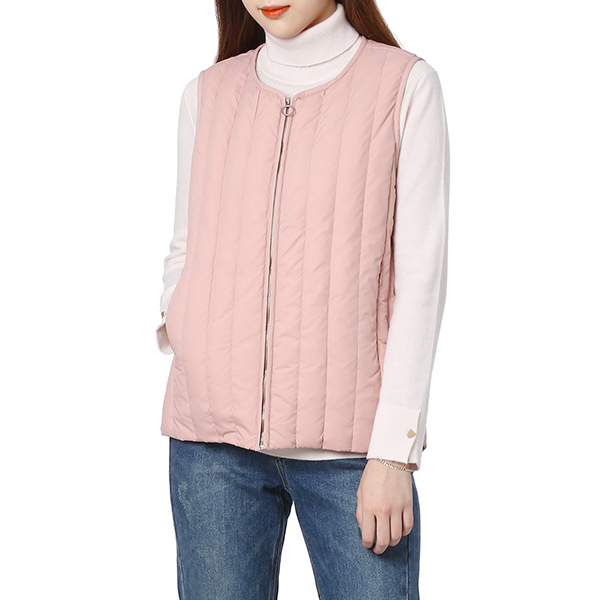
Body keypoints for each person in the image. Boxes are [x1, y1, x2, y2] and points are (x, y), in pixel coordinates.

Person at [156, 1, 449, 598]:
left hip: (354, 454)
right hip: (211, 446)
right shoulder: (207, 94)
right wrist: (181, 323)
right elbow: (187, 245)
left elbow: (420, 280)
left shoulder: (404, 86)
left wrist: (394, 452)